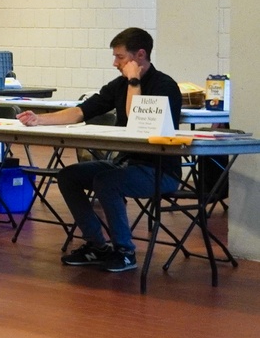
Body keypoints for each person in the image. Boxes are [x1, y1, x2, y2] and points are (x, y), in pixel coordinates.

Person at [15, 27, 183, 274]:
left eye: (120, 57)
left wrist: (134, 80)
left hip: (158, 169)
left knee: (107, 181)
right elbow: (82, 111)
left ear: (140, 55)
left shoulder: (164, 86)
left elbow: (133, 119)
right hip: (126, 163)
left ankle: (125, 252)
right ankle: (97, 245)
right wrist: (40, 119)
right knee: (69, 176)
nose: (115, 63)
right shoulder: (118, 85)